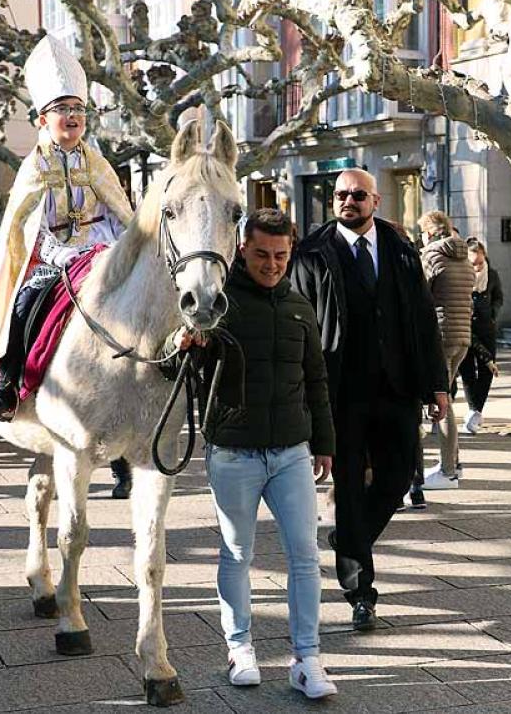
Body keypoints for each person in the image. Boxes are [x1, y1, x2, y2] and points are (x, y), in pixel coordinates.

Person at [165, 209, 337, 697]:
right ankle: (240, 647)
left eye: (281, 255)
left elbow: (317, 379)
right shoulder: (218, 304)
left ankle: (308, 659)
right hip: (234, 452)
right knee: (238, 551)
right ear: (242, 248)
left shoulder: (301, 306)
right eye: (262, 254)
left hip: (292, 452)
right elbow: (173, 373)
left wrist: (324, 443)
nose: (272, 264)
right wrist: (184, 346)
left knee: (305, 556)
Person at [290, 167, 448, 632]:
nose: (348, 202)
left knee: (400, 477)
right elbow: (303, 328)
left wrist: (437, 385)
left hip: (397, 388)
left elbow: (422, 318)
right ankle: (361, 591)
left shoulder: (401, 248)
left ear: (376, 201)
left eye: (358, 195)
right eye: (340, 195)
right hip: (341, 393)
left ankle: (349, 539)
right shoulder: (313, 253)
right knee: (352, 491)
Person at [0, 36, 133, 423]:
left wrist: (124, 248)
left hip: (101, 252)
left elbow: (119, 215)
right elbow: (27, 229)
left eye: (78, 109)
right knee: (26, 301)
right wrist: (64, 254)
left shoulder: (98, 164)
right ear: (42, 119)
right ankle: (9, 381)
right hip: (53, 258)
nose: (73, 116)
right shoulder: (33, 168)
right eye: (63, 109)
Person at [415, 210, 475, 493]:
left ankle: (448, 470)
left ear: (429, 232)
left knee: (443, 402)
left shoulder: (432, 256)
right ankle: (453, 465)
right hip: (462, 335)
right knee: (447, 395)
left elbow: (420, 295)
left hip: (440, 334)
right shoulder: (463, 258)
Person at [459, 238, 503, 435]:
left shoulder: (492, 274)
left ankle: (475, 411)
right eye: (473, 263)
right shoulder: (460, 276)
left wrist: (493, 313)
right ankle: (473, 411)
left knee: (487, 370)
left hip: (486, 327)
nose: (477, 267)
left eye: (479, 262)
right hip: (465, 326)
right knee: (467, 370)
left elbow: (498, 297)